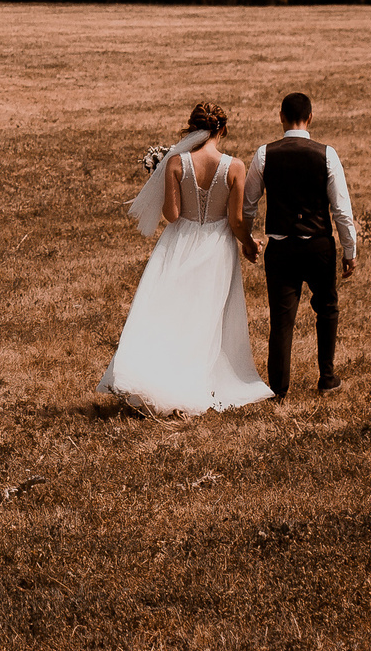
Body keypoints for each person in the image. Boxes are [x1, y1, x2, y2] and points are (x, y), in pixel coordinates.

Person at [96, 102, 276, 416]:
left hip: (180, 243)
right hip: (217, 244)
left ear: (191, 129)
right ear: (222, 129)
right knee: (207, 312)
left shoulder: (177, 163)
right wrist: (249, 243)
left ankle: (157, 375)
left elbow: (172, 214)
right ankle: (197, 378)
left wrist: (163, 179)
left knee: (170, 308)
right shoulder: (234, 166)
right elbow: (235, 221)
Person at [243, 92, 359, 396]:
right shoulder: (327, 154)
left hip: (280, 247)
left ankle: (279, 388)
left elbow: (248, 204)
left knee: (282, 320)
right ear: (310, 117)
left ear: (281, 117)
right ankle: (327, 377)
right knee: (327, 309)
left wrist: (245, 238)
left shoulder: (264, 154)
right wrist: (350, 250)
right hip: (319, 244)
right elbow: (341, 210)